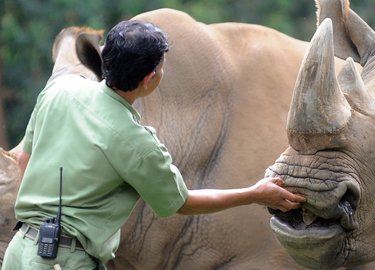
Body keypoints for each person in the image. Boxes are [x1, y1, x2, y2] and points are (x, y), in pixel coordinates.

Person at [2, 20, 305, 270]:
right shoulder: (137, 142)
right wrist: (253, 194)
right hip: (66, 262)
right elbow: (183, 203)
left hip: (19, 252)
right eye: (161, 67)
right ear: (149, 79)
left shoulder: (60, 91)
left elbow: (26, 160)